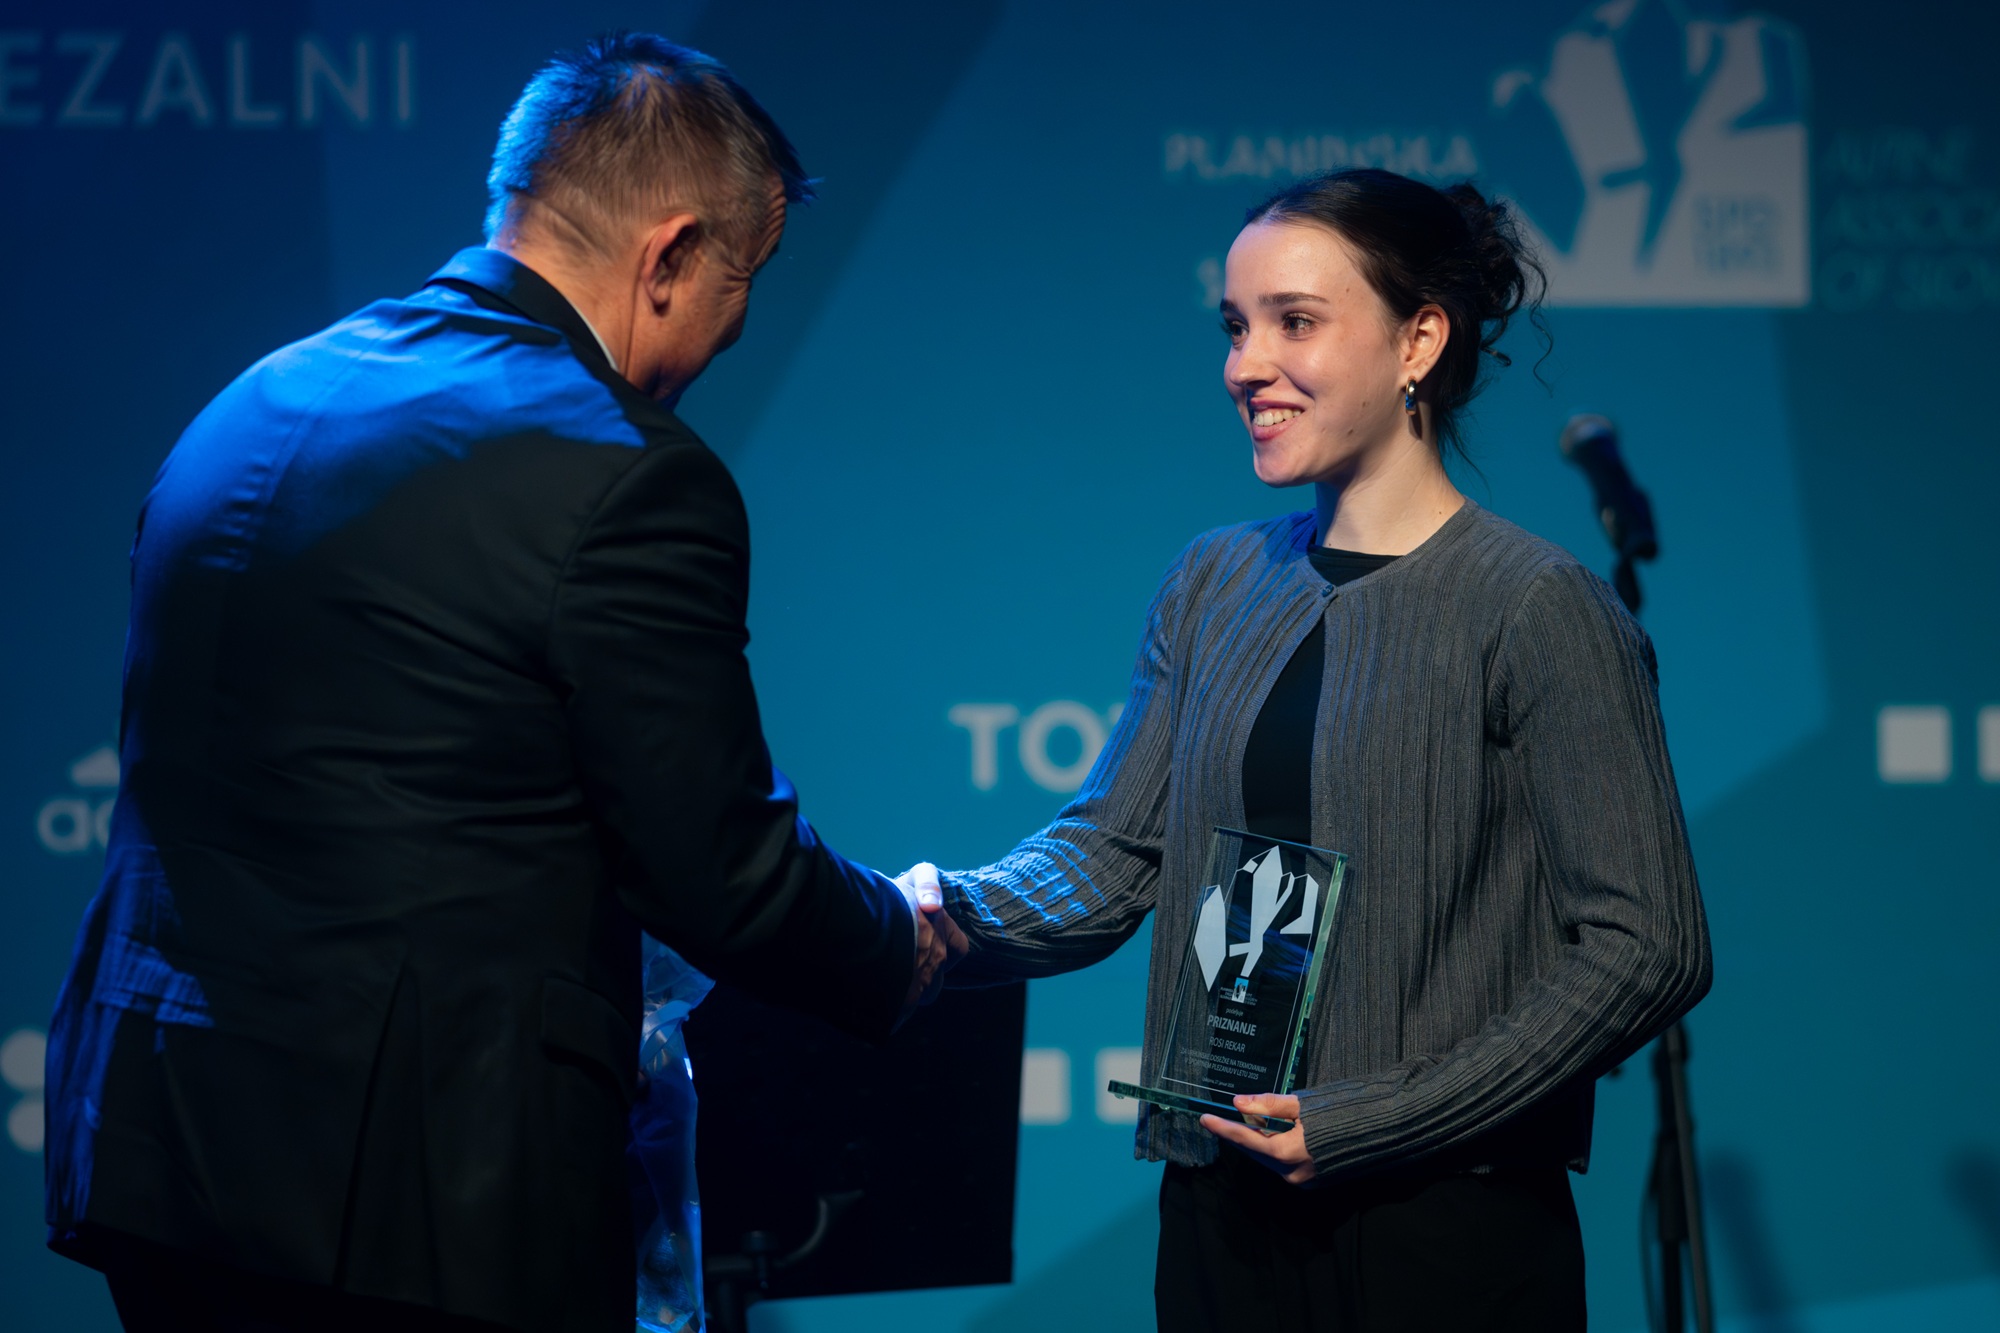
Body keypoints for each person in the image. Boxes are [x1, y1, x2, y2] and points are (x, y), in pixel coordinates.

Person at [43, 32, 965, 1333]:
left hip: (158, 1147)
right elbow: (717, 867)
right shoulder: (624, 472)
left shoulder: (252, 402)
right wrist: (891, 941)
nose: (737, 326)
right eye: (745, 278)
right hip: (406, 1191)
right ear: (671, 255)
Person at [905, 168, 1712, 1331]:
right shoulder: (1213, 579)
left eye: (1293, 321)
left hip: (1440, 1230)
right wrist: (933, 909)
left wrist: (1374, 1118)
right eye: (1234, 327)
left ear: (1417, 340)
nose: (1246, 364)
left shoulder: (1534, 605)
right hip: (1224, 1206)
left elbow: (1649, 946)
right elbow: (1111, 854)